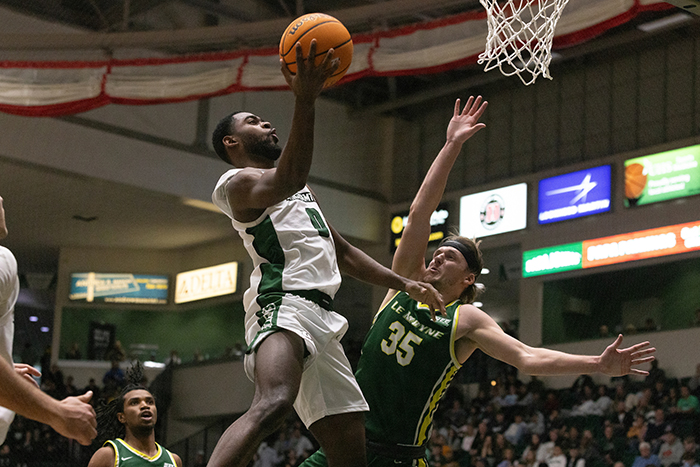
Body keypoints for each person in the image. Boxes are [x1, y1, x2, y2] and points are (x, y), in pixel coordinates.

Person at [300, 96, 656, 467]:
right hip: (346, 446)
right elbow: (421, 210)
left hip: (397, 458)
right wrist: (451, 144)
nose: (436, 256)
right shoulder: (403, 282)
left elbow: (527, 358)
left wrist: (597, 364)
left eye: (448, 256)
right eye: (436, 252)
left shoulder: (465, 320)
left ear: (468, 278)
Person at [208, 41, 443, 467]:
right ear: (232, 142)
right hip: (282, 304)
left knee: (351, 450)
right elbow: (290, 174)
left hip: (323, 319)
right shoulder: (238, 183)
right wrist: (305, 99)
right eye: (253, 122)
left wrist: (404, 283)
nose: (266, 124)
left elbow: (346, 253)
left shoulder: (300, 191)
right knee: (275, 400)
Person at [88, 362, 182, 467]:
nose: (145, 406)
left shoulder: (174, 460)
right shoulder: (108, 456)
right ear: (122, 417)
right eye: (134, 402)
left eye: (150, 402)